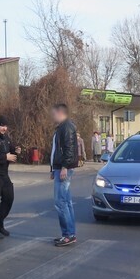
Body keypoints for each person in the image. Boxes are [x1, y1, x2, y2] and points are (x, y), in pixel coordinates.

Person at [51, 103, 79, 247]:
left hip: (64, 169)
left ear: (60, 112)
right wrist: (53, 168)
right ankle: (70, 233)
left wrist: (63, 167)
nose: (52, 115)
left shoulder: (66, 126)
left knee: (60, 202)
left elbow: (68, 149)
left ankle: (67, 235)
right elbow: (56, 150)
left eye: (54, 113)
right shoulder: (62, 127)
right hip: (60, 168)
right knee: (66, 202)